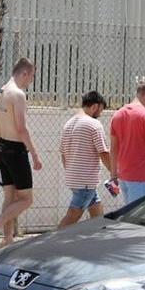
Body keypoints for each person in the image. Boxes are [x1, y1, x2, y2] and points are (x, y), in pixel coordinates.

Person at [0, 58, 42, 248]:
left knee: (10, 198)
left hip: (2, 149)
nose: (30, 81)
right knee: (26, 199)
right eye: (31, 77)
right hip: (16, 150)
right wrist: (34, 154)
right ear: (24, 73)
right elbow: (21, 129)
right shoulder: (17, 94)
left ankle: (7, 240)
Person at [59, 91, 114, 227]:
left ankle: (99, 235)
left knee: (97, 210)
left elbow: (63, 152)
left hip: (74, 178)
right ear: (95, 106)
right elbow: (103, 152)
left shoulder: (69, 123)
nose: (100, 114)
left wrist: (72, 171)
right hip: (85, 181)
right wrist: (114, 173)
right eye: (100, 110)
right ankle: (50, 241)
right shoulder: (93, 125)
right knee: (72, 216)